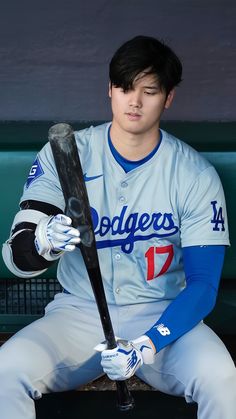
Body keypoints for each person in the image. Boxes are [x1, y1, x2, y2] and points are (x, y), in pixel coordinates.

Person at [1, 35, 236, 419]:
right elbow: (16, 256)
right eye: (125, 88)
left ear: (169, 97)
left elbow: (204, 286)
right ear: (110, 90)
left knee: (222, 378)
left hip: (161, 313)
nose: (135, 101)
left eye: (150, 91)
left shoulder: (194, 174)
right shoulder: (67, 152)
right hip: (78, 313)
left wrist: (148, 343)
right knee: (4, 373)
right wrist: (43, 241)